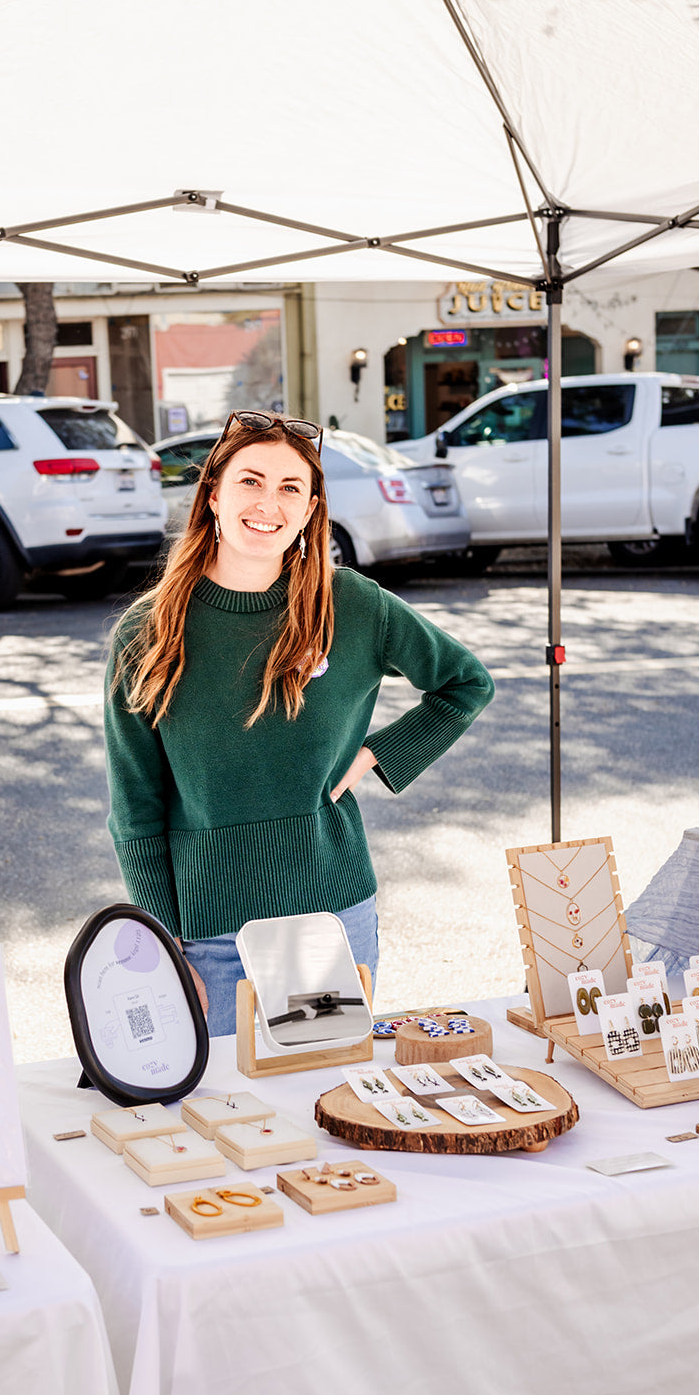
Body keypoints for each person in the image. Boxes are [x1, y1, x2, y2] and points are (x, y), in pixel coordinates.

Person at [103, 409, 494, 1035]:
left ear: (312, 509)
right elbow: (136, 806)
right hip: (208, 934)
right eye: (250, 481)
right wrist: (164, 943)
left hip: (333, 916)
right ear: (212, 495)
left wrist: (380, 754)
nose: (269, 504)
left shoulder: (352, 604)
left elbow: (465, 683)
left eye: (291, 488)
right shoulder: (147, 633)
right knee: (228, 1116)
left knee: (326, 1101)